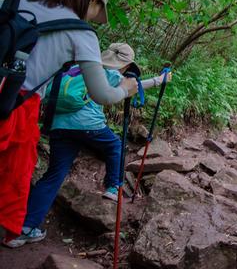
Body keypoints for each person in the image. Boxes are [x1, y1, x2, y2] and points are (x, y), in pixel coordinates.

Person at [0, 0, 138, 243]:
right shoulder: (80, 34)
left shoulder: (10, 3)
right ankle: (112, 186)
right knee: (12, 179)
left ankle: (24, 225)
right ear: (94, 1)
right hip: (16, 109)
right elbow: (102, 94)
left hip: (42, 116)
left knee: (50, 171)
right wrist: (125, 89)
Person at [4, 43, 172, 248]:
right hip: (88, 125)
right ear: (125, 64)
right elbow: (134, 86)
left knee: (54, 175)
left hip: (59, 127)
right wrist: (160, 80)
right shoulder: (107, 72)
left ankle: (23, 229)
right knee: (115, 146)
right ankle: (113, 186)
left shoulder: (75, 68)